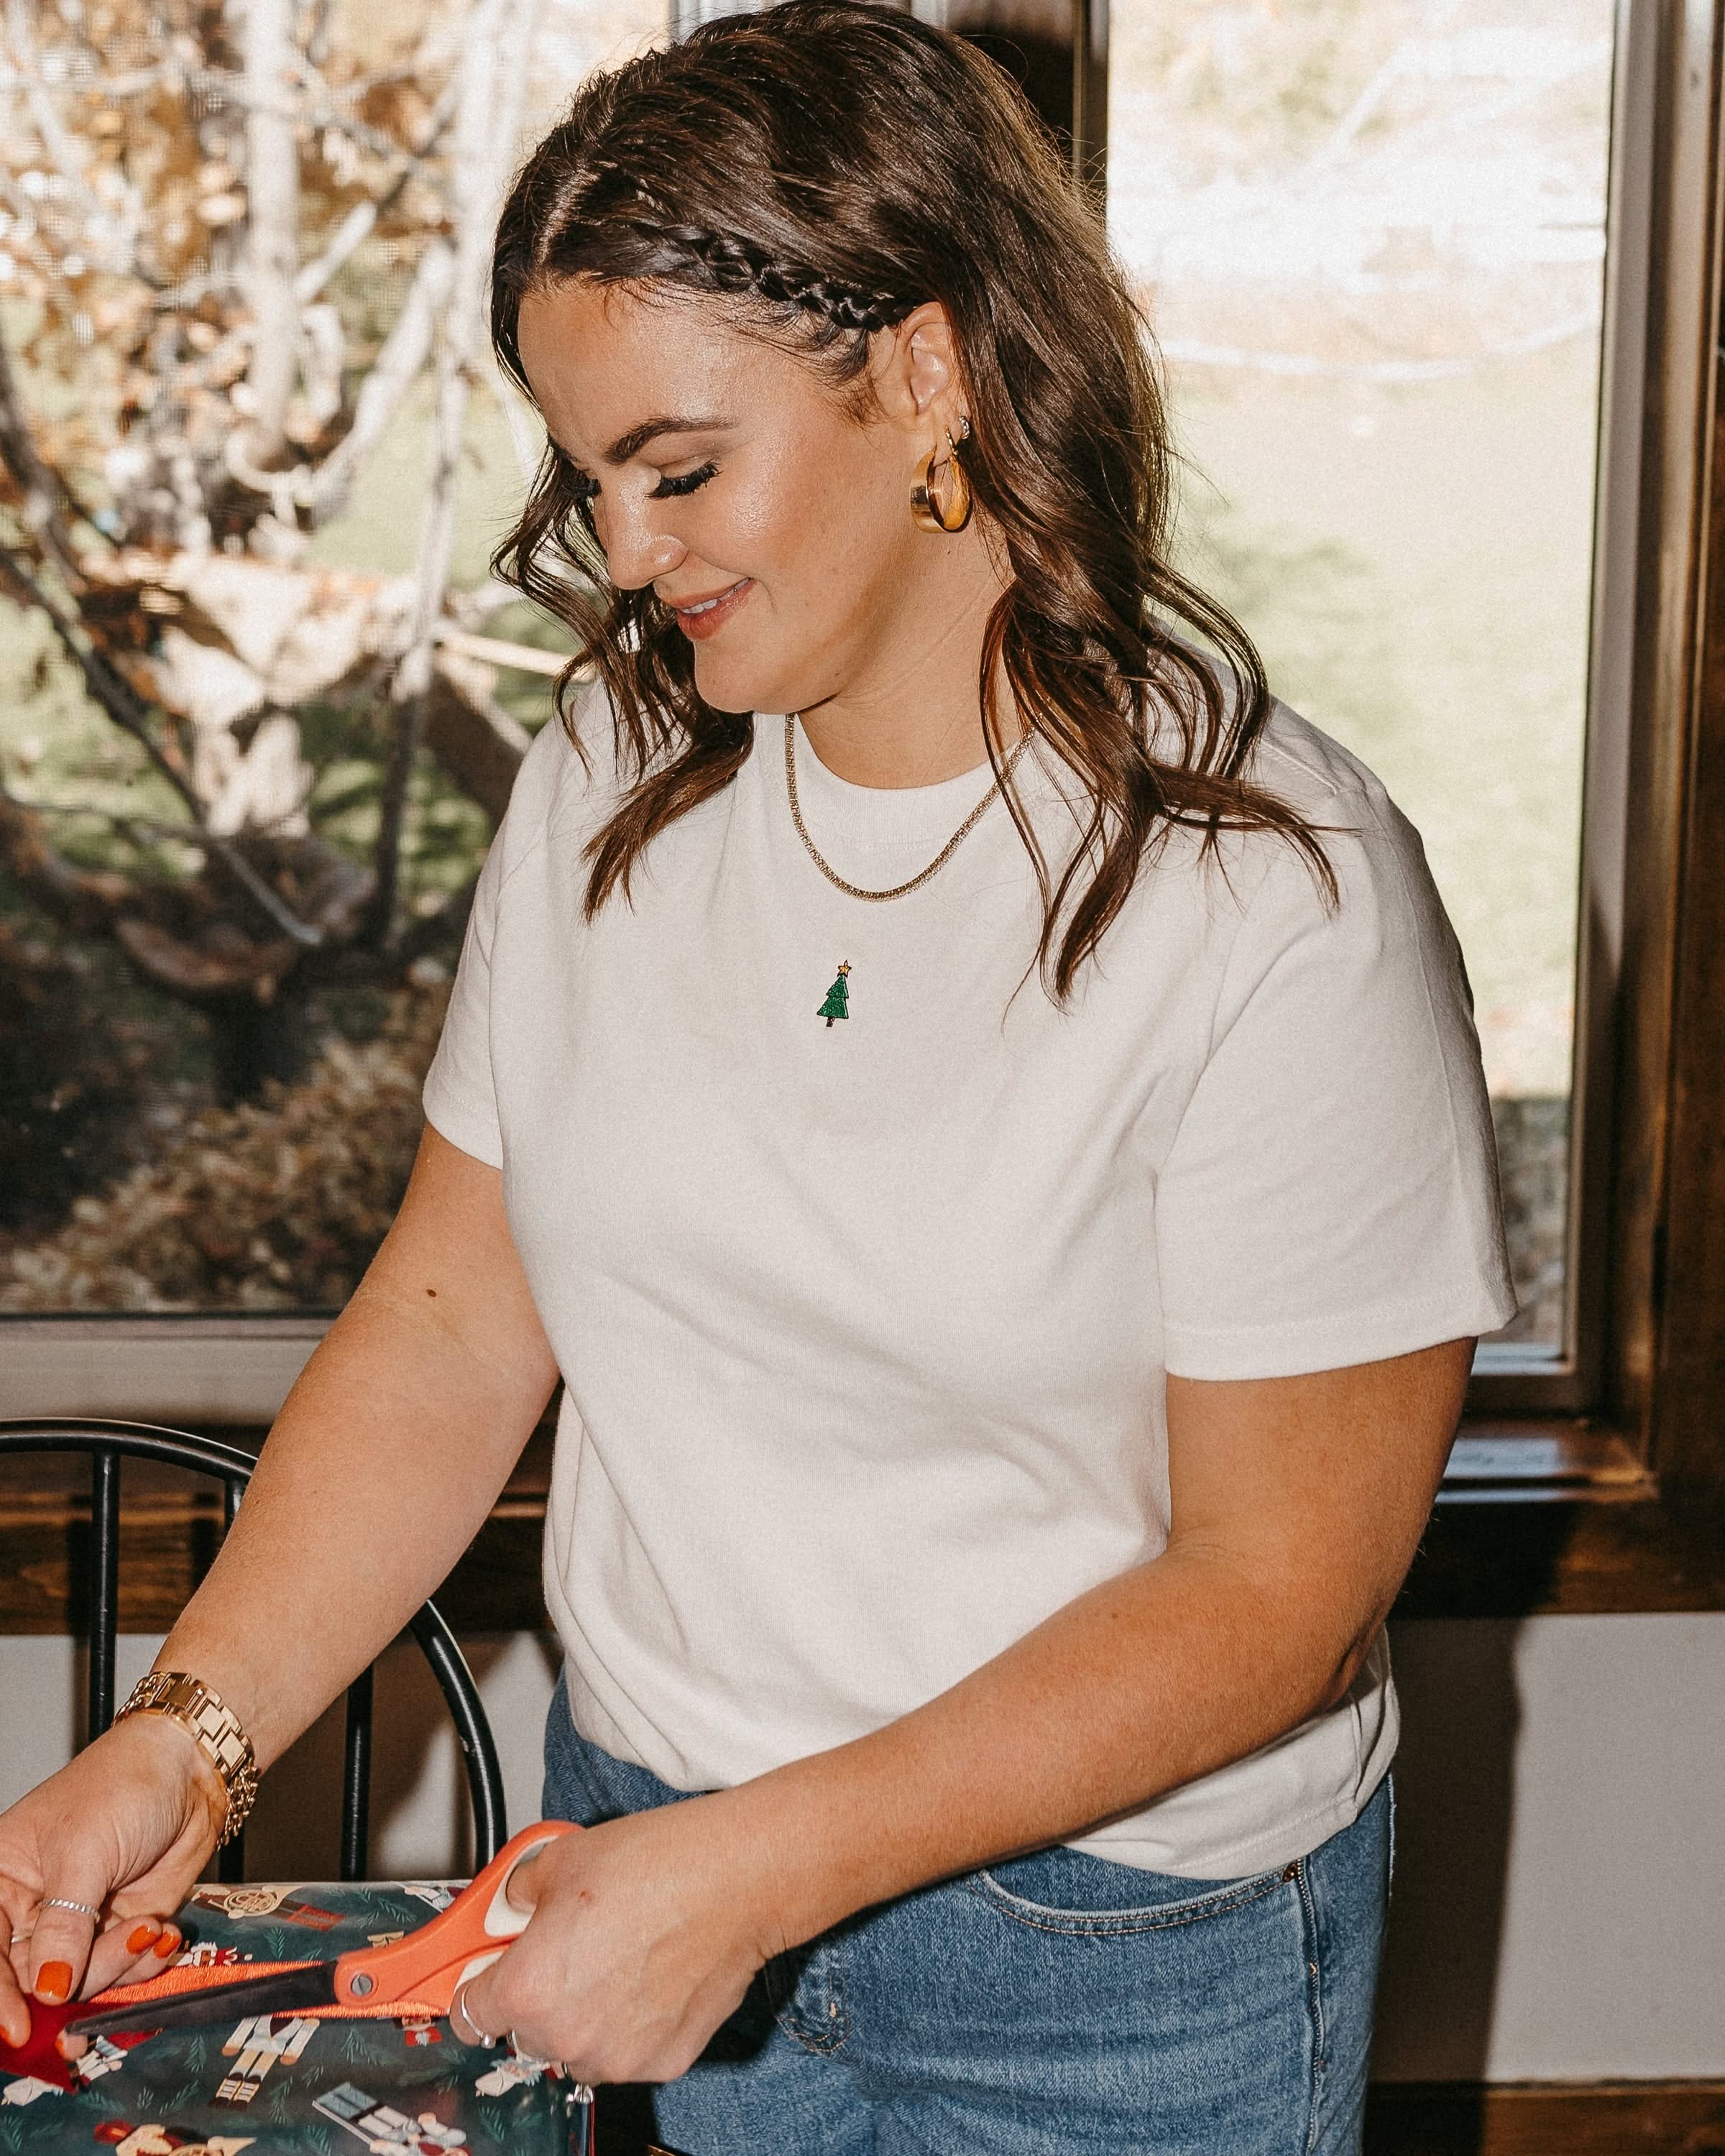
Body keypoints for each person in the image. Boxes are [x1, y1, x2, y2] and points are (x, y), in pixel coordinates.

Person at [0, 4, 1517, 2149]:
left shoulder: (1273, 892)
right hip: (641, 1839)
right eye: (590, 474)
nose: (625, 554)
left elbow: (1274, 1588)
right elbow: (453, 1319)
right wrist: (193, 1734)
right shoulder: (615, 768)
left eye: (682, 467)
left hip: (1101, 1948)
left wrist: (770, 1866)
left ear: (926, 371)